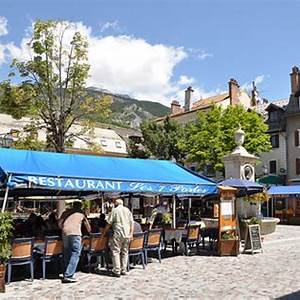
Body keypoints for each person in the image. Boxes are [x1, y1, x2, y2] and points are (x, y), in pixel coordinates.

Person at [58, 201, 91, 283]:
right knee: (75, 253)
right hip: (75, 233)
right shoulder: (81, 213)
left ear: (73, 206)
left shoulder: (65, 212)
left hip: (65, 233)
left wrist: (63, 229)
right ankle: (69, 275)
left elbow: (59, 223)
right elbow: (88, 226)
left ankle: (65, 271)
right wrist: (89, 232)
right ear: (80, 207)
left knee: (66, 252)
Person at [103, 198, 134, 277]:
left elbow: (109, 223)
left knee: (116, 251)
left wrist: (104, 232)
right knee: (125, 251)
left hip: (118, 233)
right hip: (127, 233)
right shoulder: (127, 210)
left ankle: (117, 270)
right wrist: (131, 234)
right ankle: (124, 269)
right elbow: (132, 223)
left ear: (116, 204)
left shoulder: (115, 210)